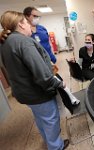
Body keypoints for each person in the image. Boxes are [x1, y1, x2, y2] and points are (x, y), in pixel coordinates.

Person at [0, 11, 69, 150]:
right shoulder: (24, 42)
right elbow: (42, 75)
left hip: (24, 93)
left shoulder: (6, 43)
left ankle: (50, 142)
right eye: (26, 22)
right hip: (38, 92)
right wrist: (59, 84)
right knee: (51, 120)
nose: (30, 25)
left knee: (41, 118)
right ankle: (56, 147)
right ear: (20, 24)